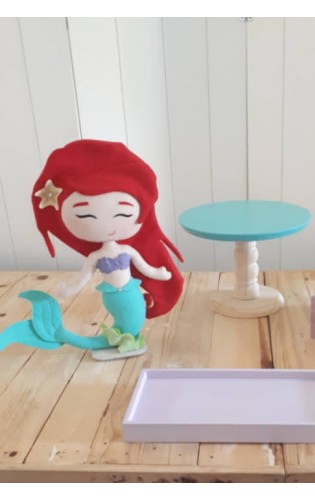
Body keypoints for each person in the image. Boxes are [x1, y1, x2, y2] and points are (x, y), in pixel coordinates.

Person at [0, 139, 183, 360]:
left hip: (131, 293)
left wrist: (159, 273)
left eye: (123, 213)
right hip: (113, 298)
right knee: (126, 323)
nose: (107, 224)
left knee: (132, 323)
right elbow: (85, 275)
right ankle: (64, 334)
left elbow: (145, 267)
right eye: (85, 215)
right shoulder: (96, 256)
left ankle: (123, 341)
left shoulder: (127, 250)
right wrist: (70, 288)